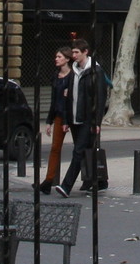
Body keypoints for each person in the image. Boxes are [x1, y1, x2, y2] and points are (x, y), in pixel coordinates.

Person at [56, 38, 108, 196]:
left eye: (77, 52)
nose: (74, 55)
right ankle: (99, 181)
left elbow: (100, 98)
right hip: (74, 118)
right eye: (72, 52)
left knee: (78, 151)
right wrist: (66, 120)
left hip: (88, 119)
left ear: (86, 52)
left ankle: (66, 185)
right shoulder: (74, 71)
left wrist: (96, 121)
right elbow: (69, 96)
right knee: (87, 150)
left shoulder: (96, 71)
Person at [41, 46, 73, 195]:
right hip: (60, 116)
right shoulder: (56, 76)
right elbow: (54, 100)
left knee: (81, 149)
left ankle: (91, 179)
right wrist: (49, 121)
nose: (56, 59)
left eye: (59, 57)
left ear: (67, 59)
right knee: (55, 148)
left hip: (72, 117)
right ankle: (48, 180)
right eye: (56, 57)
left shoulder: (74, 76)